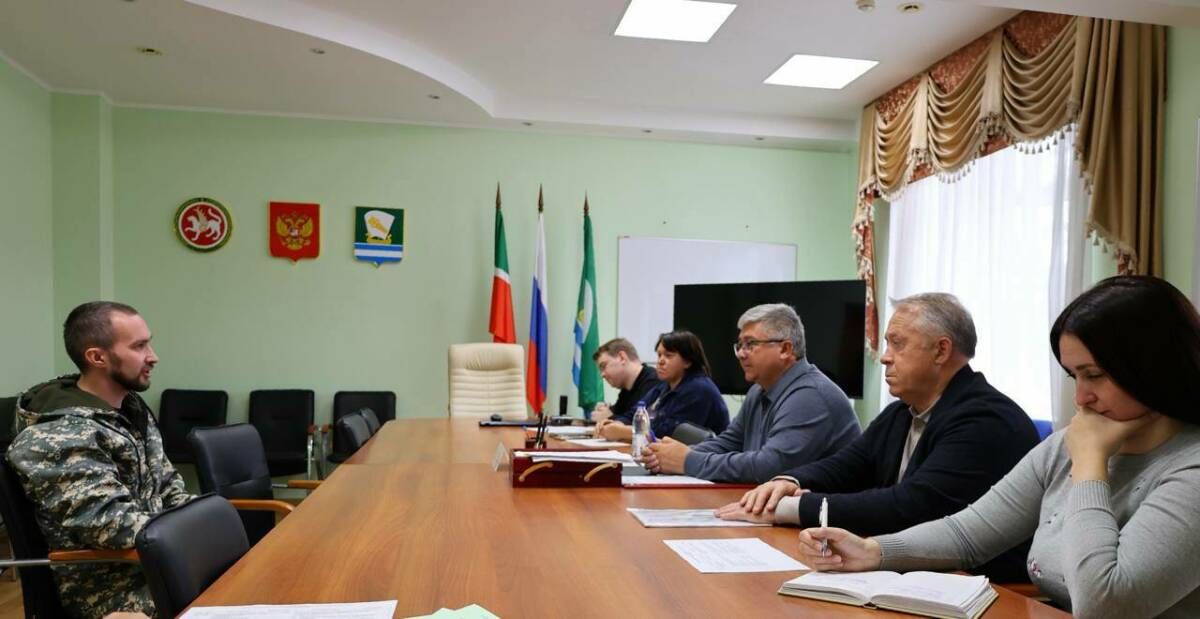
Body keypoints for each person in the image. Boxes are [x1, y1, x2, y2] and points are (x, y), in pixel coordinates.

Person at [795, 276, 1200, 617]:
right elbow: (970, 533)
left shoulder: (1180, 468)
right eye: (1073, 376)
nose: (1080, 398)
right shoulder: (1066, 446)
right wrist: (873, 550)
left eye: (1093, 375)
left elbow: (1104, 604)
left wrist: (1090, 465)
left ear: (1153, 368)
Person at [716, 293, 1039, 580]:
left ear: (941, 351)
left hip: (990, 587)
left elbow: (912, 506)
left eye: (897, 344)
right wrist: (790, 481)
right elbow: (847, 465)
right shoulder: (901, 412)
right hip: (917, 571)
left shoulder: (985, 420)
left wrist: (791, 508)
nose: (885, 356)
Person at [7, 301, 192, 619]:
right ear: (97, 357)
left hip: (155, 563)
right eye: (139, 346)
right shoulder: (58, 435)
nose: (153, 356)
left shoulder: (131, 411)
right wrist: (201, 531)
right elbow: (112, 526)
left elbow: (168, 487)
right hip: (110, 591)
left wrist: (209, 520)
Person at [640, 303, 860, 482]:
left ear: (785, 349)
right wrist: (671, 454)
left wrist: (687, 460)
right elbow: (729, 443)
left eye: (750, 344)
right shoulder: (758, 390)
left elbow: (769, 467)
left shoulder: (810, 396)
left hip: (824, 519)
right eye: (740, 345)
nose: (741, 354)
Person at [595, 330, 729, 441]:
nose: (660, 361)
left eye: (668, 356)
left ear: (687, 361)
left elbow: (667, 433)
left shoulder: (699, 389)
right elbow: (635, 414)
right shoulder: (664, 386)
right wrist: (616, 423)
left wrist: (621, 431)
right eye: (659, 355)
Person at [590, 338, 663, 424]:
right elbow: (619, 413)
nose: (602, 375)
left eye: (603, 366)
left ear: (622, 358)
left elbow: (642, 423)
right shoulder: (626, 389)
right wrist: (604, 411)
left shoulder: (654, 382)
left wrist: (609, 417)